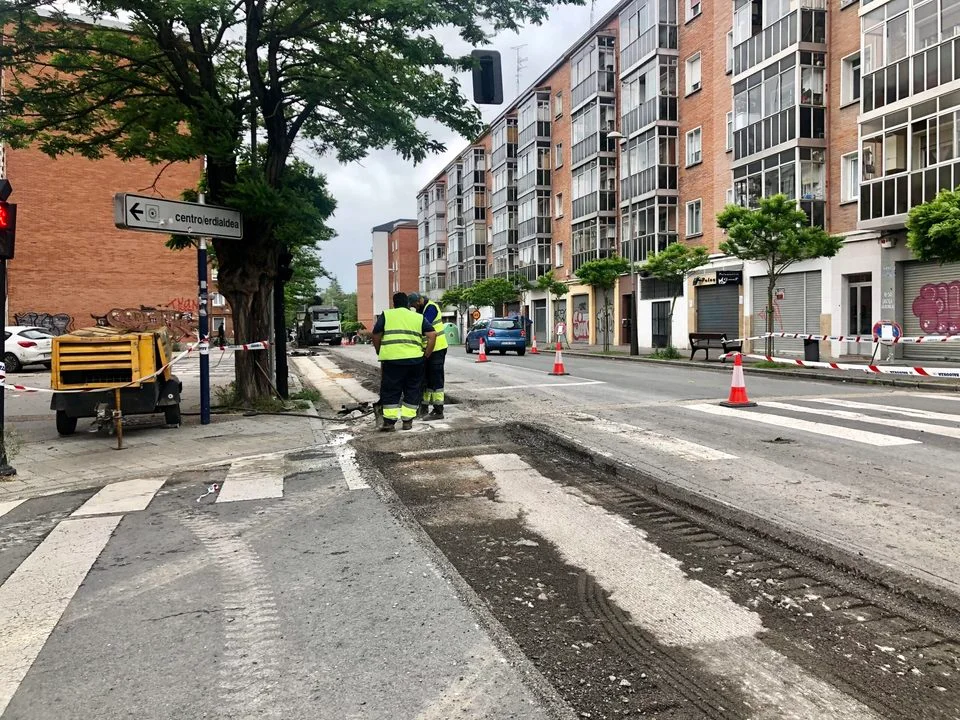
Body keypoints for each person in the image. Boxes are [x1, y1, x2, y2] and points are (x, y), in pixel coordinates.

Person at [371, 292, 437, 431]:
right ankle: (407, 421)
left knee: (391, 389)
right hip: (415, 361)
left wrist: (379, 350)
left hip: (392, 361)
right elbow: (432, 335)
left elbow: (376, 334)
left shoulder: (387, 315)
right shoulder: (417, 317)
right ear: (407, 303)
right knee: (413, 389)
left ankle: (389, 423)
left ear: (393, 304)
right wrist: (426, 354)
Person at [409, 292, 447, 420]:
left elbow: (423, 325)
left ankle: (438, 410)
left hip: (437, 348)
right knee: (425, 379)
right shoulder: (421, 310)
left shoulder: (431, 308)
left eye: (414, 305)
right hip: (426, 349)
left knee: (436, 379)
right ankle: (423, 408)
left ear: (419, 301)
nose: (414, 307)